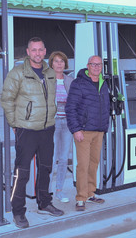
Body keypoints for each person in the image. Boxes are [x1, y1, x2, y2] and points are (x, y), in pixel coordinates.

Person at [1, 37, 63, 229]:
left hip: (47, 129)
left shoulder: (50, 73)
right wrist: (15, 123)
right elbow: (6, 99)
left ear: (45, 52)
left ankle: (44, 202)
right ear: (28, 52)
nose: (37, 53)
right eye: (33, 50)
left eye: (40, 50)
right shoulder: (18, 73)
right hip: (26, 130)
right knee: (22, 172)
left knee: (46, 168)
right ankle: (18, 211)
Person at [65, 55, 110, 211]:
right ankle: (81, 197)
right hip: (83, 131)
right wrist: (76, 129)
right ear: (88, 66)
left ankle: (91, 193)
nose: (96, 67)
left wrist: (105, 126)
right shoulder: (79, 84)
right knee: (83, 165)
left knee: (94, 163)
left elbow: (106, 107)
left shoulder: (103, 84)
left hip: (99, 131)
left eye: (99, 65)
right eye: (93, 64)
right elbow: (70, 108)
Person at [48, 51, 74, 203]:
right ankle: (47, 192)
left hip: (67, 124)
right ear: (51, 63)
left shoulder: (70, 81)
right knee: (51, 159)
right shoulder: (45, 80)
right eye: (56, 61)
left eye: (62, 61)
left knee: (63, 158)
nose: (59, 64)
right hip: (52, 123)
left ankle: (59, 190)